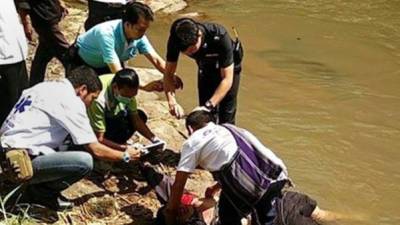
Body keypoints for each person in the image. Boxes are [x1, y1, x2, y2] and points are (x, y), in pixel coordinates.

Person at [0, 66, 142, 211]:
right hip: (20, 162)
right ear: (83, 90)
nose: (91, 104)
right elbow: (96, 149)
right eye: (92, 98)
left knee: (73, 142)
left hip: (6, 147)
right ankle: (40, 193)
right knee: (84, 162)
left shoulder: (44, 87)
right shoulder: (71, 101)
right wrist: (125, 156)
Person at [164, 109, 339, 225]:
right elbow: (243, 161)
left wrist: (171, 215)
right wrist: (218, 186)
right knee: (264, 217)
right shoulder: (229, 129)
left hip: (255, 188)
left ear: (189, 129)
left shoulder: (193, 141)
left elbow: (178, 184)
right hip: (276, 177)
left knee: (229, 217)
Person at [69, 1, 182, 92]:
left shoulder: (138, 35)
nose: (143, 33)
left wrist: (172, 76)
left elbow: (156, 60)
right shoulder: (106, 34)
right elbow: (118, 72)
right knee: (85, 98)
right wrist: (143, 87)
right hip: (82, 63)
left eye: (145, 29)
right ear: (127, 24)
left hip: (104, 64)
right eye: (140, 29)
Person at [163, 18, 243, 124]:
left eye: (192, 50)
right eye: (185, 52)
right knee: (205, 116)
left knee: (226, 115)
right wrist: (172, 101)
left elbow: (227, 79)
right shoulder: (176, 41)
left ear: (199, 35)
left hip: (229, 68)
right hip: (206, 66)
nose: (189, 53)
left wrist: (208, 105)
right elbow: (168, 73)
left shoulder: (219, 35)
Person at [87, 68, 164, 151]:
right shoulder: (99, 99)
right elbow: (99, 138)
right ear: (115, 87)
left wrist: (154, 139)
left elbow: (136, 119)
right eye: (126, 96)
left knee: (141, 115)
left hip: (111, 116)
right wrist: (125, 148)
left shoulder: (126, 89)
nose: (129, 99)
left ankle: (116, 143)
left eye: (133, 96)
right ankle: (113, 146)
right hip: (92, 125)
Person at [16, 0, 70, 87]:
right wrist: (26, 23)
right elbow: (22, 2)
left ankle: (34, 85)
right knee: (67, 56)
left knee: (42, 56)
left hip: (50, 15)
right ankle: (76, 85)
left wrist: (60, 2)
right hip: (44, 19)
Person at [0, 0, 29, 126]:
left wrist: (26, 22)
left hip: (17, 50)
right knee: (9, 104)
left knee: (22, 99)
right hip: (4, 56)